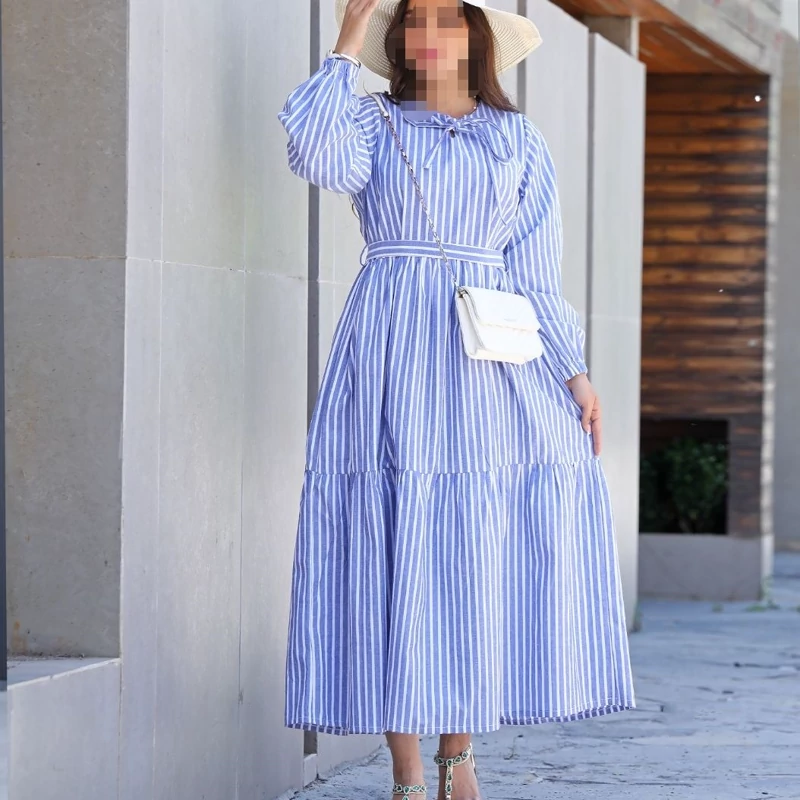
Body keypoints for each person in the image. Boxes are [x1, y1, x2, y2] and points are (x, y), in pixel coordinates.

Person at [278, 1, 635, 798]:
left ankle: (457, 756)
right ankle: (407, 769)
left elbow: (535, 269)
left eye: (446, 19)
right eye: (412, 20)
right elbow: (314, 152)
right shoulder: (370, 123)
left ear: (477, 37)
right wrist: (345, 45)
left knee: (477, 538)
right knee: (394, 534)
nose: (427, 35)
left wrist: (573, 371)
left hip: (489, 357)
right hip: (391, 346)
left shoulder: (517, 140)